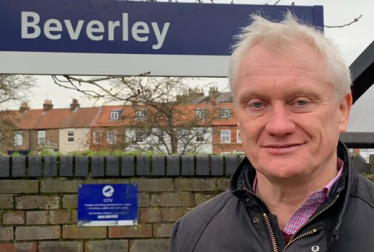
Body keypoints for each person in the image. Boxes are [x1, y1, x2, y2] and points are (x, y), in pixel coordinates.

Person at [168, 12, 374, 252]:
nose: (278, 126)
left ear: (342, 110)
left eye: (300, 102)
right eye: (257, 104)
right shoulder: (192, 234)